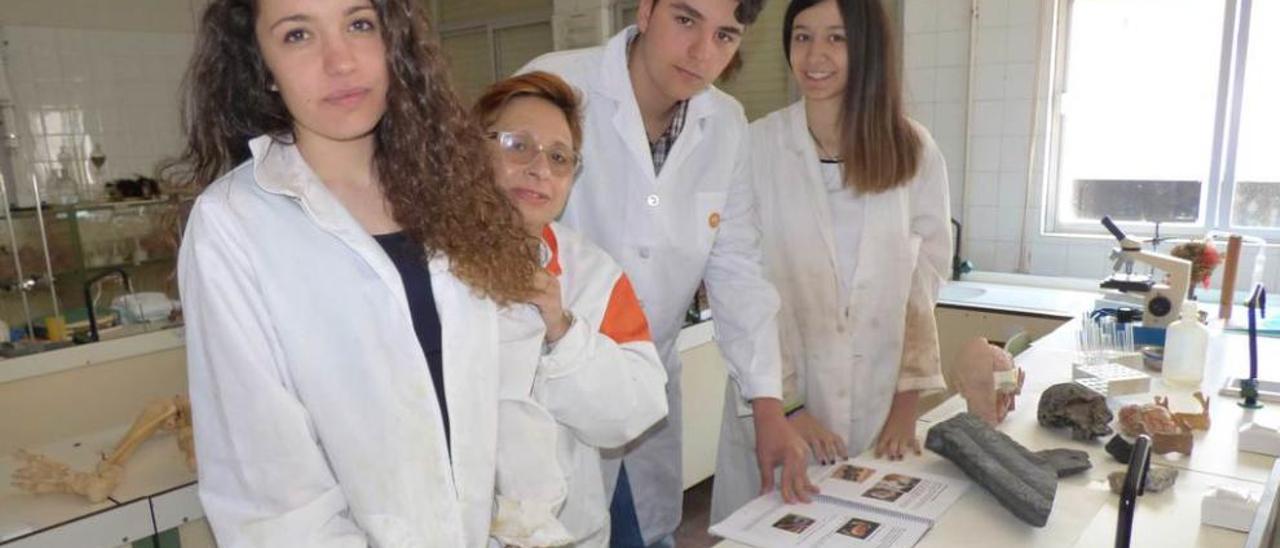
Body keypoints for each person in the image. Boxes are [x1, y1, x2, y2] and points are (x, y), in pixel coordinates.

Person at [173, 0, 546, 545]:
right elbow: (268, 488)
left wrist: (522, 526)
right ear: (260, 66)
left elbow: (510, 389)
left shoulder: (454, 185)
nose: (341, 61)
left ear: (394, 40)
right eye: (298, 35)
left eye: (359, 24)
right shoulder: (233, 225)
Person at [521, 0, 816, 545]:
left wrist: (769, 408)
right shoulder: (555, 86)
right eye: (686, 20)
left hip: (646, 385)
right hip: (547, 389)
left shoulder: (724, 123)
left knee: (649, 534)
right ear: (646, 10)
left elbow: (737, 270)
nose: (703, 52)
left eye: (725, 35)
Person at [710, 0, 952, 523]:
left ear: (867, 47)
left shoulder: (912, 151)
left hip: (877, 407)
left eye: (836, 38)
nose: (815, 55)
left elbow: (924, 283)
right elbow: (741, 283)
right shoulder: (754, 146)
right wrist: (791, 405)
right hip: (779, 404)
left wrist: (905, 405)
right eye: (802, 37)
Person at [475, 72, 670, 547]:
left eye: (559, 157)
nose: (540, 168)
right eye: (517, 145)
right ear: (471, 153)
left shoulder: (596, 277)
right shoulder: (420, 265)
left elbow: (639, 408)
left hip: (569, 534)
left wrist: (562, 331)